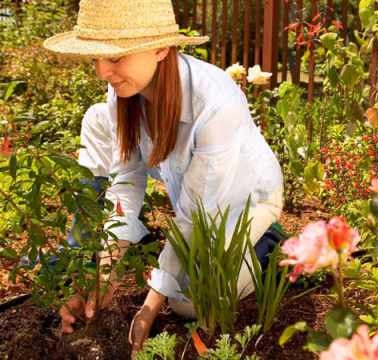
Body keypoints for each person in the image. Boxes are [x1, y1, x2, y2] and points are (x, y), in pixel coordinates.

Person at [43, 0, 283, 352]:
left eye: (114, 58)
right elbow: (125, 183)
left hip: (248, 198)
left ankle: (270, 245)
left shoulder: (214, 103)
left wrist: (149, 307)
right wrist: (106, 277)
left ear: (159, 48)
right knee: (178, 284)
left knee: (189, 301)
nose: (101, 72)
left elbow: (195, 212)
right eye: (96, 58)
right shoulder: (123, 94)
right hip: (197, 202)